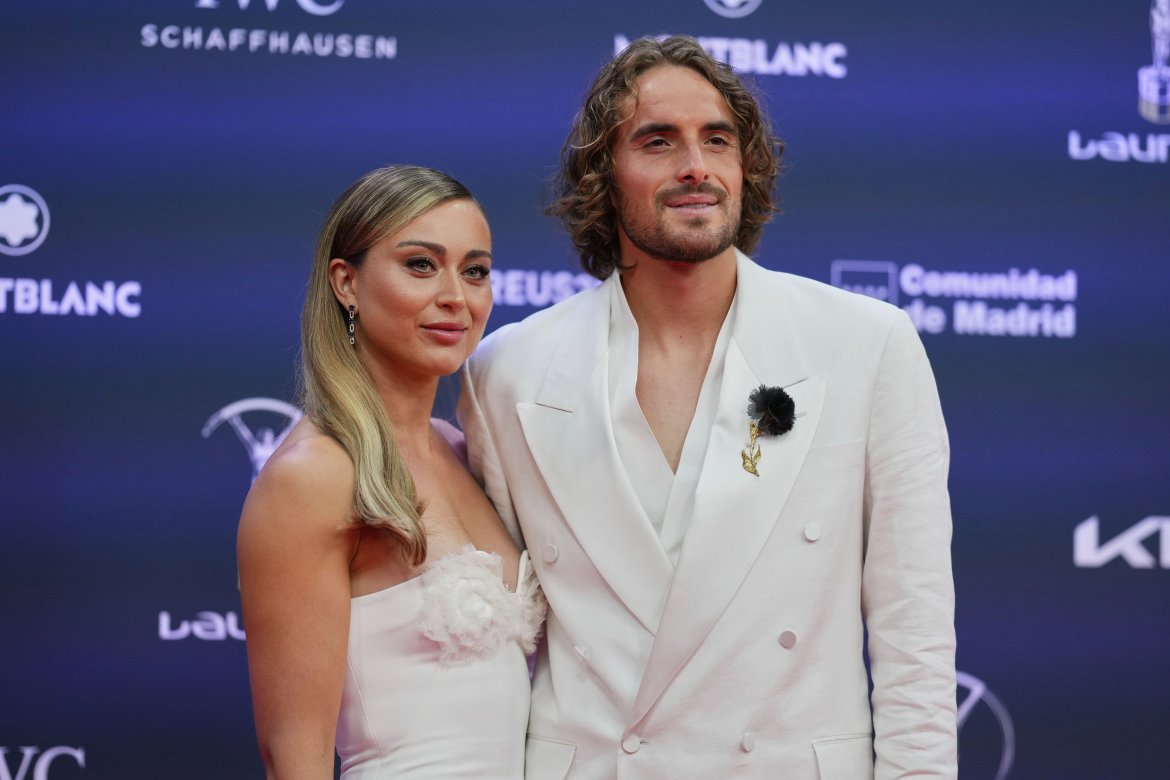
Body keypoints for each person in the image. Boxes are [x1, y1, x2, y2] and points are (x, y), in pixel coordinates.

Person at [458, 36, 956, 779]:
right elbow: (501, 651)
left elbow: (915, 633)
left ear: (744, 167)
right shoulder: (507, 372)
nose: (695, 165)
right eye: (658, 141)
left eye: (717, 140)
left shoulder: (866, 344)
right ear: (603, 175)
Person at [238, 165, 544, 779]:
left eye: (475, 271)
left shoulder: (458, 449)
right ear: (346, 283)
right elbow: (293, 759)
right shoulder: (313, 476)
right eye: (421, 265)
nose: (456, 297)